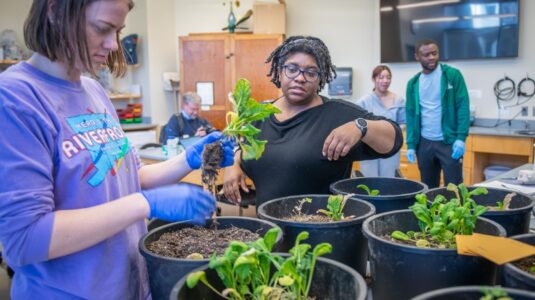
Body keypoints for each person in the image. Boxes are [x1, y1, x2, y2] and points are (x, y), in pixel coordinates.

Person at [0, 1, 235, 298]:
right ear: (54, 11)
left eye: (119, 30)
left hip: (128, 286)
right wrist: (144, 204)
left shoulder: (94, 91)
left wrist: (189, 159)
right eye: (102, 28)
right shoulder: (14, 99)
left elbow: (129, 176)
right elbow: (25, 240)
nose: (113, 45)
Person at [223, 36, 403, 207]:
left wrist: (361, 126)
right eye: (292, 69)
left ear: (320, 78)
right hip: (270, 233)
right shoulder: (260, 115)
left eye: (310, 72)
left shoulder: (337, 115)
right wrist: (235, 163)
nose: (300, 78)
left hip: (321, 232)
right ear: (279, 71)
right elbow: (244, 146)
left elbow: (393, 140)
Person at [405, 39, 470, 188]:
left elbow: (463, 106)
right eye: (426, 54)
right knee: (427, 189)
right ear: (417, 57)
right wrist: (411, 144)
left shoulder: (452, 75)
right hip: (424, 144)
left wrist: (461, 138)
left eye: (434, 53)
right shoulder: (413, 83)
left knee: (454, 189)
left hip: (449, 143)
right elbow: (410, 115)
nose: (431, 57)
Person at [357, 65, 405, 177]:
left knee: (389, 181)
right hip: (369, 149)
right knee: (369, 182)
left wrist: (393, 131)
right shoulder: (364, 102)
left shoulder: (399, 100)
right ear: (374, 79)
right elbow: (358, 126)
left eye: (388, 77)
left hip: (391, 148)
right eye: (381, 77)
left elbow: (403, 123)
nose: (385, 81)